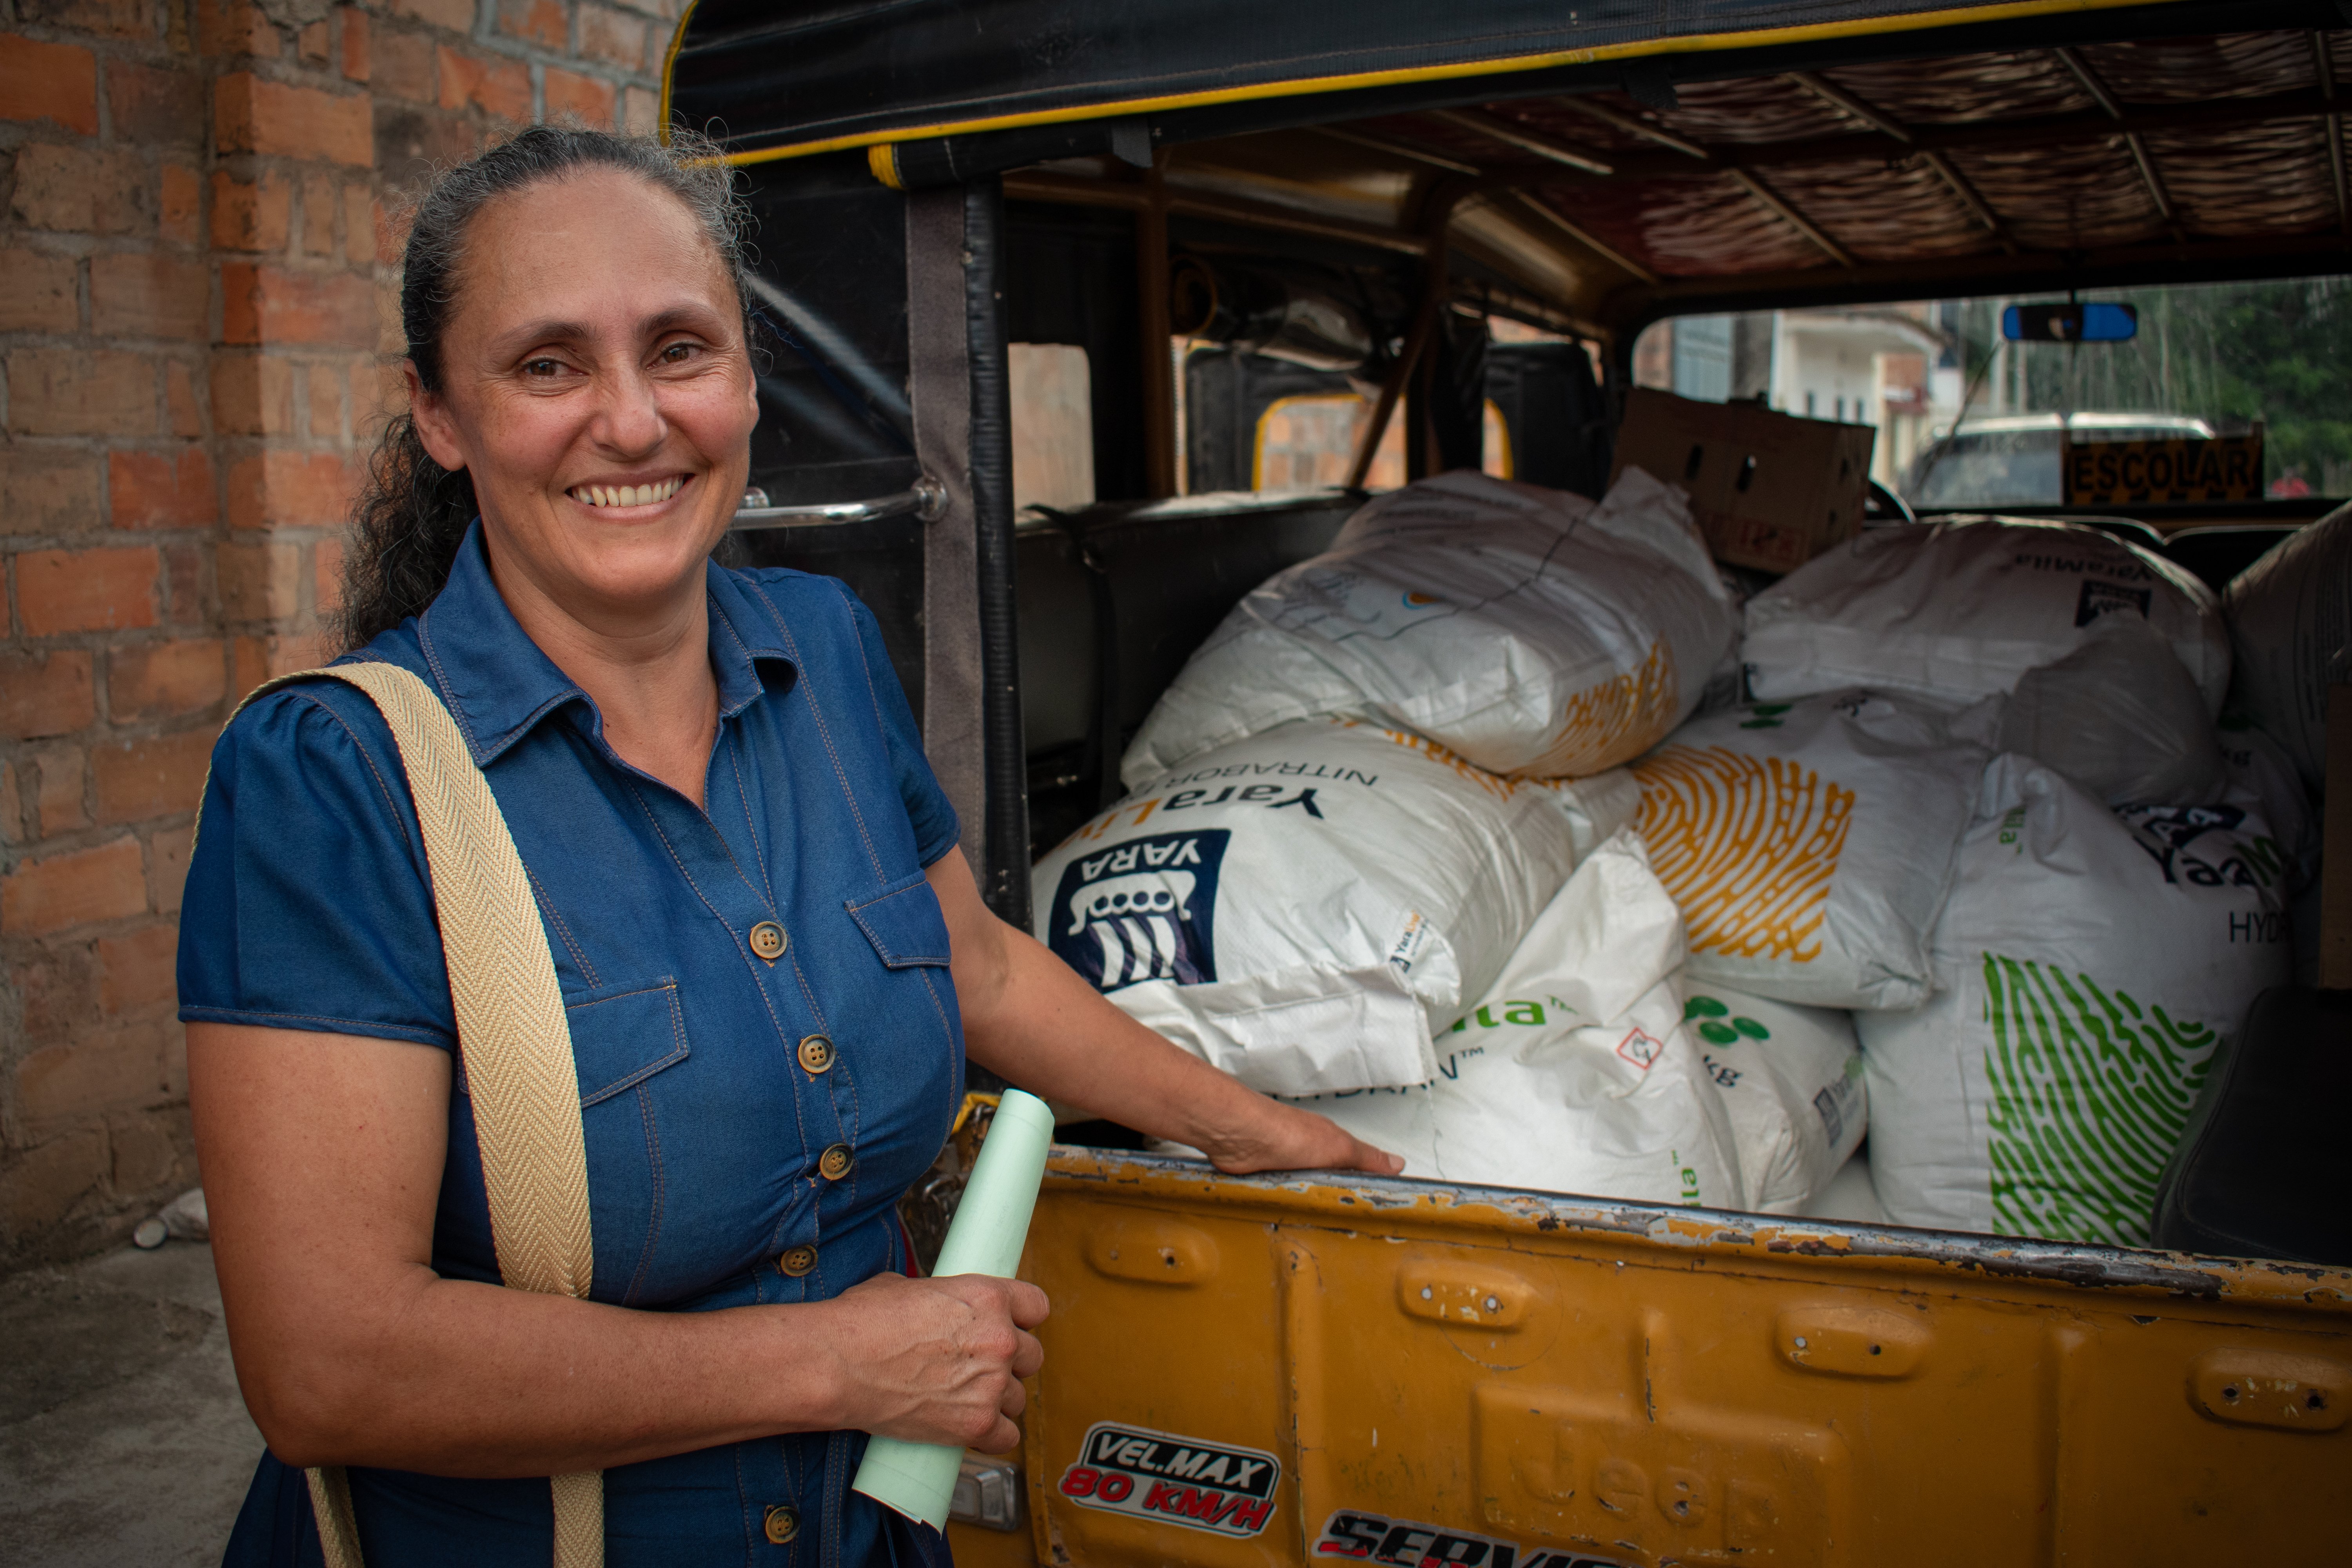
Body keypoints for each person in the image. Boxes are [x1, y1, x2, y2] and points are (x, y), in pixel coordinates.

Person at [180, 125, 1399, 1566]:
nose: (631, 423)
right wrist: (838, 1367)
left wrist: (1265, 1134)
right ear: (440, 414)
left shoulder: (822, 649)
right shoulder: (336, 780)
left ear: (747, 377)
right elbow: (331, 1365)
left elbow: (976, 965)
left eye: (680, 349)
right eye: (548, 365)